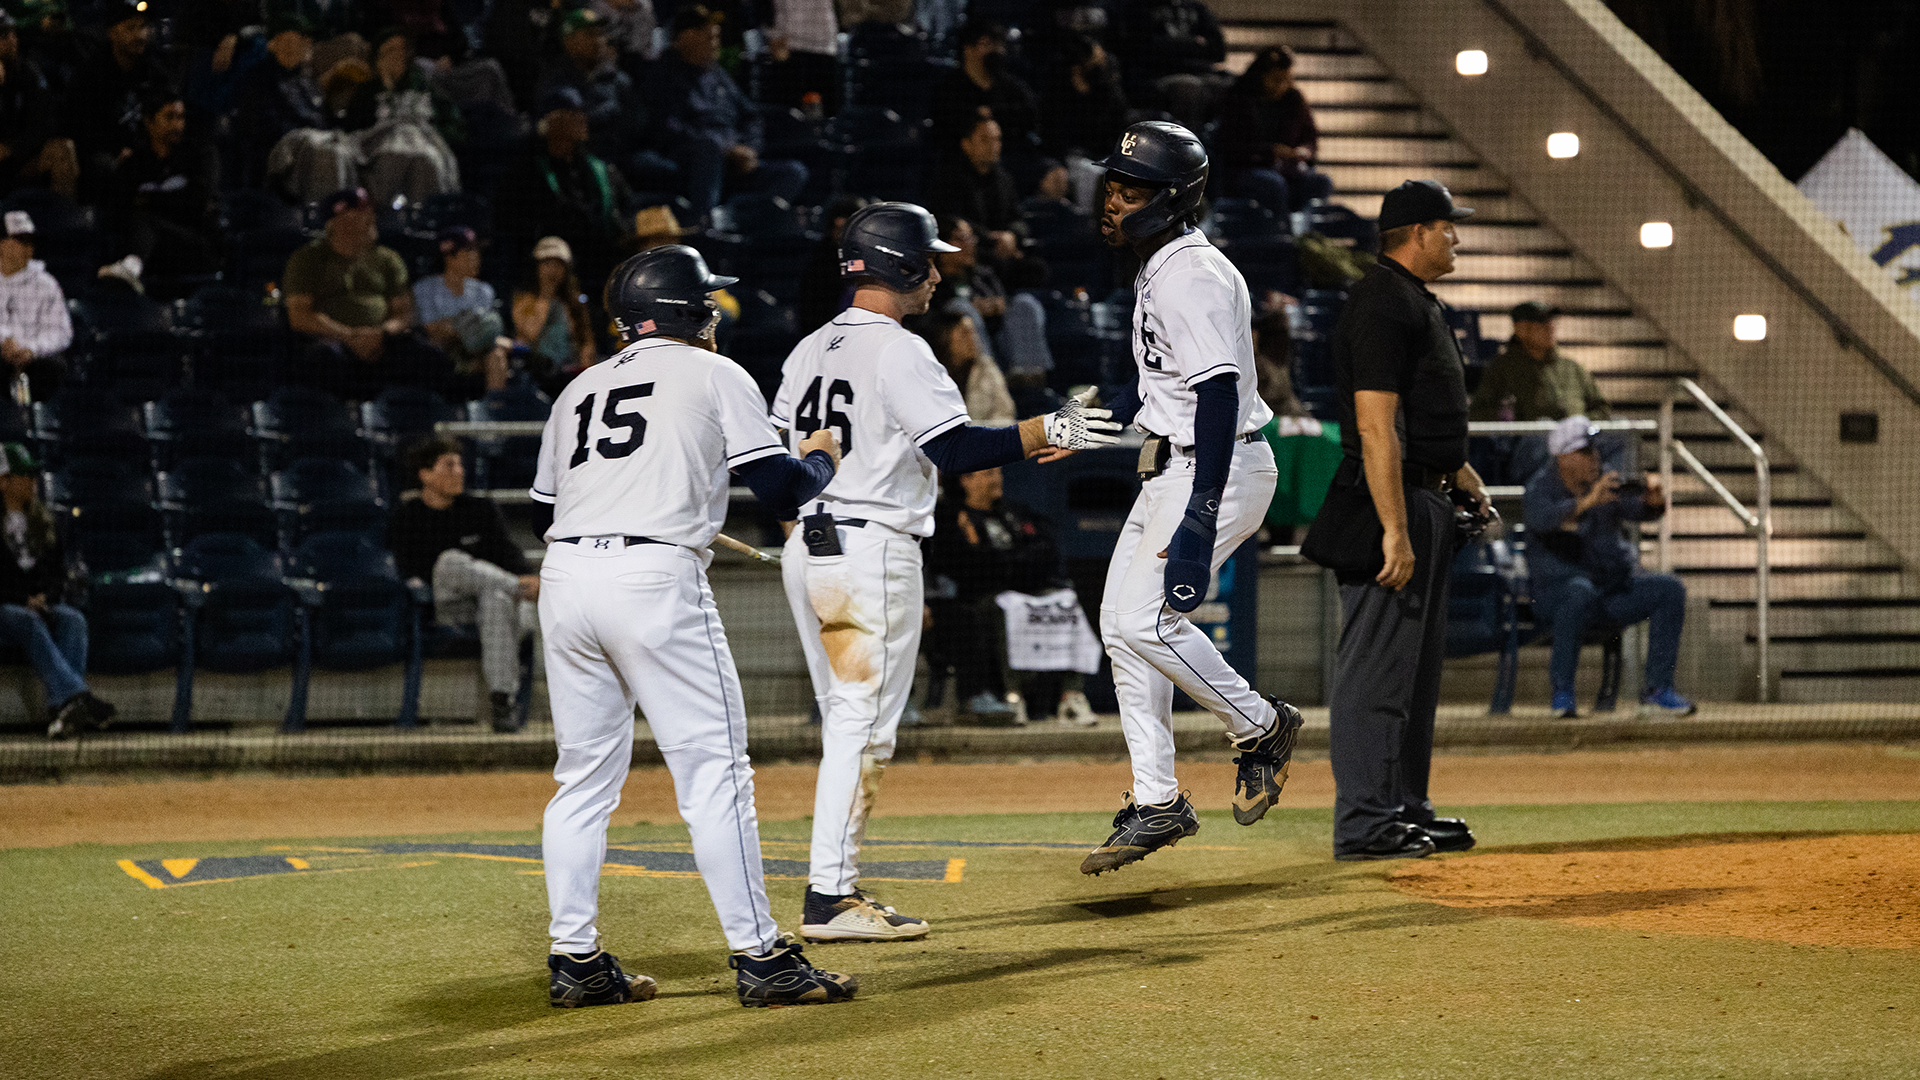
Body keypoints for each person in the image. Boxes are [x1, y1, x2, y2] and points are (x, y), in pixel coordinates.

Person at [771, 201, 1119, 939]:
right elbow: (956, 451)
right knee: (862, 728)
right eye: (927, 260)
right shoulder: (899, 349)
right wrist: (1051, 429)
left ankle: (834, 888)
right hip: (869, 550)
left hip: (813, 544)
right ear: (898, 266)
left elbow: (784, 467)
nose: (936, 272)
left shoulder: (807, 350)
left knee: (847, 721)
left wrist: (805, 528)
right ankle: (830, 897)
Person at [531, 244, 856, 1009]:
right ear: (688, 312)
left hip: (568, 578)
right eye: (707, 302)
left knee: (581, 780)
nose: (716, 314)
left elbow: (553, 505)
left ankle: (575, 960)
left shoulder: (577, 388)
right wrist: (821, 463)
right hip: (651, 582)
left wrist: (660, 508)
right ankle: (763, 958)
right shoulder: (716, 373)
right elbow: (779, 486)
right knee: (715, 774)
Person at [1070, 121, 1302, 876]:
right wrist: (1074, 423)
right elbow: (1167, 387)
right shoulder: (1160, 265)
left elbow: (1219, 390)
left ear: (1174, 199)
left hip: (1219, 464)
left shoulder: (1188, 273)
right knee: (1119, 625)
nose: (1113, 200)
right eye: (1112, 185)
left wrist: (1202, 507)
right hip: (1179, 461)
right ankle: (1157, 799)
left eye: (1131, 189)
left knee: (1146, 620)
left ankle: (1261, 725)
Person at [1317, 179, 1491, 862]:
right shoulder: (1381, 303)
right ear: (1418, 232)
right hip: (1385, 504)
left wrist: (1459, 474)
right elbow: (1375, 425)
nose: (1456, 238)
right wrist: (1394, 527)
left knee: (1413, 680)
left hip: (1424, 497)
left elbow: (1421, 420)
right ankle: (1365, 824)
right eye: (1449, 227)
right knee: (1376, 680)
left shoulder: (1409, 299)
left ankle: (1403, 809)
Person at [1523, 416, 1695, 719]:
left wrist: (1654, 501)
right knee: (1577, 592)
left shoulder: (1603, 481)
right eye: (1586, 452)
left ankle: (1657, 689)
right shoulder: (1540, 488)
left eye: (1595, 450)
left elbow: (1637, 510)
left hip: (1606, 593)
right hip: (1555, 598)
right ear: (1564, 457)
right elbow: (1543, 519)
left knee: (1669, 590)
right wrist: (1588, 502)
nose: (1596, 457)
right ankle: (1563, 694)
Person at [927, 466, 1098, 726]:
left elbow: (1045, 548)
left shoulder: (1014, 512)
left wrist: (1008, 565)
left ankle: (1071, 697)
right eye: (987, 474)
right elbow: (965, 564)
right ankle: (1013, 695)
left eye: (997, 473)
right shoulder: (953, 516)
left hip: (1027, 587)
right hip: (982, 595)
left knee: (1065, 601)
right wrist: (1008, 566)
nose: (996, 479)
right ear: (966, 481)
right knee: (1008, 608)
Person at [389, 437, 537, 732]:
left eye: (460, 465)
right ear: (425, 474)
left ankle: (502, 699)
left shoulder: (480, 509)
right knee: (450, 561)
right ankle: (515, 586)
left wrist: (519, 573)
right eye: (449, 465)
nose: (459, 471)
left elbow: (508, 551)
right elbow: (409, 569)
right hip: (443, 605)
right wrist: (523, 583)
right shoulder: (407, 516)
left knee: (495, 599)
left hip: (493, 607)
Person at [283, 186, 452, 399]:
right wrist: (349, 336)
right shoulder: (307, 259)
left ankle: (418, 421)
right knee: (324, 359)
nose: (371, 219)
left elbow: (403, 313)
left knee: (427, 356)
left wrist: (380, 334)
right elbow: (299, 315)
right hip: (332, 339)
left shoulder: (388, 259)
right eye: (362, 214)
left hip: (382, 340)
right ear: (340, 223)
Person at [647, 5, 807, 216]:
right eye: (707, 35)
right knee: (709, 149)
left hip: (734, 161)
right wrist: (724, 149)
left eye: (716, 36)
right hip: (692, 159)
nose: (715, 42)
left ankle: (748, 222)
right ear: (685, 37)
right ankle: (706, 227)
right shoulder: (663, 74)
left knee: (793, 172)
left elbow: (750, 117)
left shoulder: (718, 74)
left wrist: (750, 149)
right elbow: (668, 127)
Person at [0, 444, 113, 740]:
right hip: (6, 608)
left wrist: (44, 598)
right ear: (4, 481)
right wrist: (22, 599)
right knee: (26, 619)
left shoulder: (43, 521)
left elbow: (56, 573)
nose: (33, 480)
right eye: (24, 474)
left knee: (72, 619)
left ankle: (63, 712)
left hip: (37, 604)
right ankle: (80, 697)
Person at [497, 87, 636, 291]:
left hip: (601, 260)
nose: (583, 118)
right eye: (574, 113)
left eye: (582, 112)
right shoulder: (525, 173)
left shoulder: (599, 169)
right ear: (551, 121)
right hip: (555, 263)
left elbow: (624, 206)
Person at [104, 93, 221, 287]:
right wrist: (174, 201)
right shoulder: (134, 163)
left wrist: (148, 200)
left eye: (180, 117)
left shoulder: (200, 156)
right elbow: (118, 210)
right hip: (152, 251)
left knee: (145, 221)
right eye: (169, 117)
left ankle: (132, 266)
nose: (177, 125)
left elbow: (197, 203)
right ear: (149, 122)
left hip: (191, 245)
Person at [1215, 46, 1332, 212]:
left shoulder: (1294, 100)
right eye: (1277, 80)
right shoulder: (1237, 99)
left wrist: (1304, 151)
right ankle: (1281, 232)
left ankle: (1308, 232)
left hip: (1289, 169)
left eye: (1287, 80)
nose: (1282, 86)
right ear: (1261, 76)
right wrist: (1270, 151)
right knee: (1272, 183)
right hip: (1247, 170)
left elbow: (1310, 137)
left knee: (1320, 182)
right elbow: (1230, 146)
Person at [1471, 301, 1611, 422]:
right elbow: (1480, 413)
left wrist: (1580, 424)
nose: (1550, 326)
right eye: (1541, 321)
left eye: (1551, 320)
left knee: (1622, 433)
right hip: (1529, 443)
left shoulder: (1571, 367)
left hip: (1578, 440)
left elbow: (1601, 408)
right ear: (1521, 329)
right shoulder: (1502, 369)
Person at [928, 19, 1038, 168]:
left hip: (1009, 160)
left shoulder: (1011, 86)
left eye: (999, 45)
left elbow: (1029, 116)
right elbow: (945, 129)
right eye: (987, 44)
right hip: (960, 164)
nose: (997, 51)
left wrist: (993, 113)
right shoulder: (950, 86)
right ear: (968, 49)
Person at [413, 226, 510, 393]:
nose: (476, 258)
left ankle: (495, 411)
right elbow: (430, 328)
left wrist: (467, 329)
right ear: (450, 257)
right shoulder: (424, 288)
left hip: (475, 352)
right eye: (469, 252)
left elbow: (487, 331)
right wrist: (467, 327)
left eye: (476, 252)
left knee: (497, 354)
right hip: (440, 353)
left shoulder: (483, 291)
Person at [925, 116, 1024, 266]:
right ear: (966, 144)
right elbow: (950, 219)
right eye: (985, 140)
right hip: (971, 250)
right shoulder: (949, 178)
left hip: (1003, 249)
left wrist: (1012, 235)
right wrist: (990, 237)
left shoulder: (1005, 179)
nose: (993, 146)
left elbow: (1017, 218)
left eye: (997, 140)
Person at [1116, 0, 1227, 130]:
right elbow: (1144, 49)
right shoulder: (1138, 7)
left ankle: (1220, 145)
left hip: (1199, 72)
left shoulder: (1196, 7)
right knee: (1188, 88)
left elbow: (1219, 51)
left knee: (1230, 86)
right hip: (1155, 76)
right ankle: (1185, 144)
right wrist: (1195, 43)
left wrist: (1173, 46)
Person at [511, 235, 599, 391]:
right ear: (537, 267)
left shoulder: (575, 303)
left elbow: (586, 342)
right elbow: (529, 335)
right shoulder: (523, 301)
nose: (552, 270)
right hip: (537, 374)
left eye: (558, 264)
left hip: (571, 374)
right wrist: (545, 296)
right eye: (547, 264)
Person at [0, 210, 70, 402]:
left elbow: (61, 332)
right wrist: (4, 341)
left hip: (34, 360)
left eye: (30, 241)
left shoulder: (46, 283)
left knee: (54, 366)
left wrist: (30, 349)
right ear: (2, 244)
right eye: (20, 240)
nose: (28, 247)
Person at [919, 306, 1014, 425]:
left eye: (973, 332)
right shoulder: (929, 372)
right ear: (945, 337)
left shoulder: (986, 367)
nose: (973, 339)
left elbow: (1004, 413)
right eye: (964, 333)